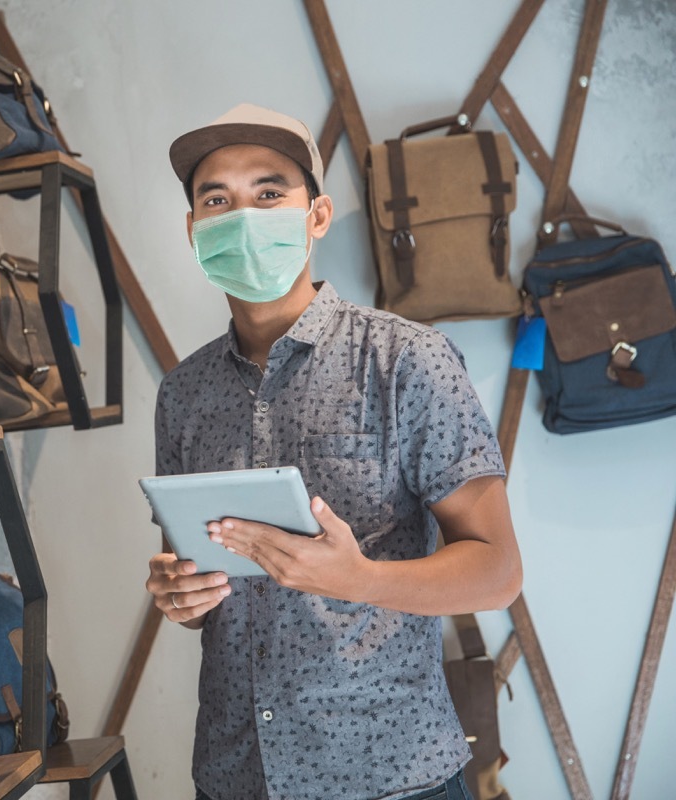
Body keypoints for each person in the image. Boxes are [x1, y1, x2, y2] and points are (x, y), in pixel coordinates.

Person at [144, 104, 523, 800]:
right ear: (194, 230)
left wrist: (362, 579)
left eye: (268, 193)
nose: (244, 217)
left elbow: (498, 570)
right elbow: (199, 576)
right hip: (235, 775)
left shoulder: (408, 360)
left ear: (315, 215)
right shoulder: (182, 393)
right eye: (216, 200)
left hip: (393, 775)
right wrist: (181, 594)